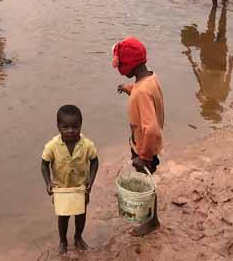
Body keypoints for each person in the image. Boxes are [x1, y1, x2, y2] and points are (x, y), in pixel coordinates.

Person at [113, 37, 164, 236]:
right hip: (149, 144)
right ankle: (151, 218)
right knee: (145, 180)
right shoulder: (150, 79)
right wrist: (128, 88)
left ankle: (152, 222)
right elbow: (142, 91)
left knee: (146, 183)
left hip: (145, 145)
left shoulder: (142, 91)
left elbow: (150, 129)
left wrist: (144, 156)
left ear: (129, 66)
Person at [41, 105, 99, 255]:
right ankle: (63, 241)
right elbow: (44, 164)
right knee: (63, 216)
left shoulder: (86, 145)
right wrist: (48, 183)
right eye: (65, 127)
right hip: (61, 188)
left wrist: (91, 181)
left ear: (81, 125)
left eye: (75, 126)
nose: (71, 131)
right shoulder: (52, 146)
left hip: (81, 187)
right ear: (58, 127)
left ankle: (78, 237)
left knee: (81, 214)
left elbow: (94, 161)